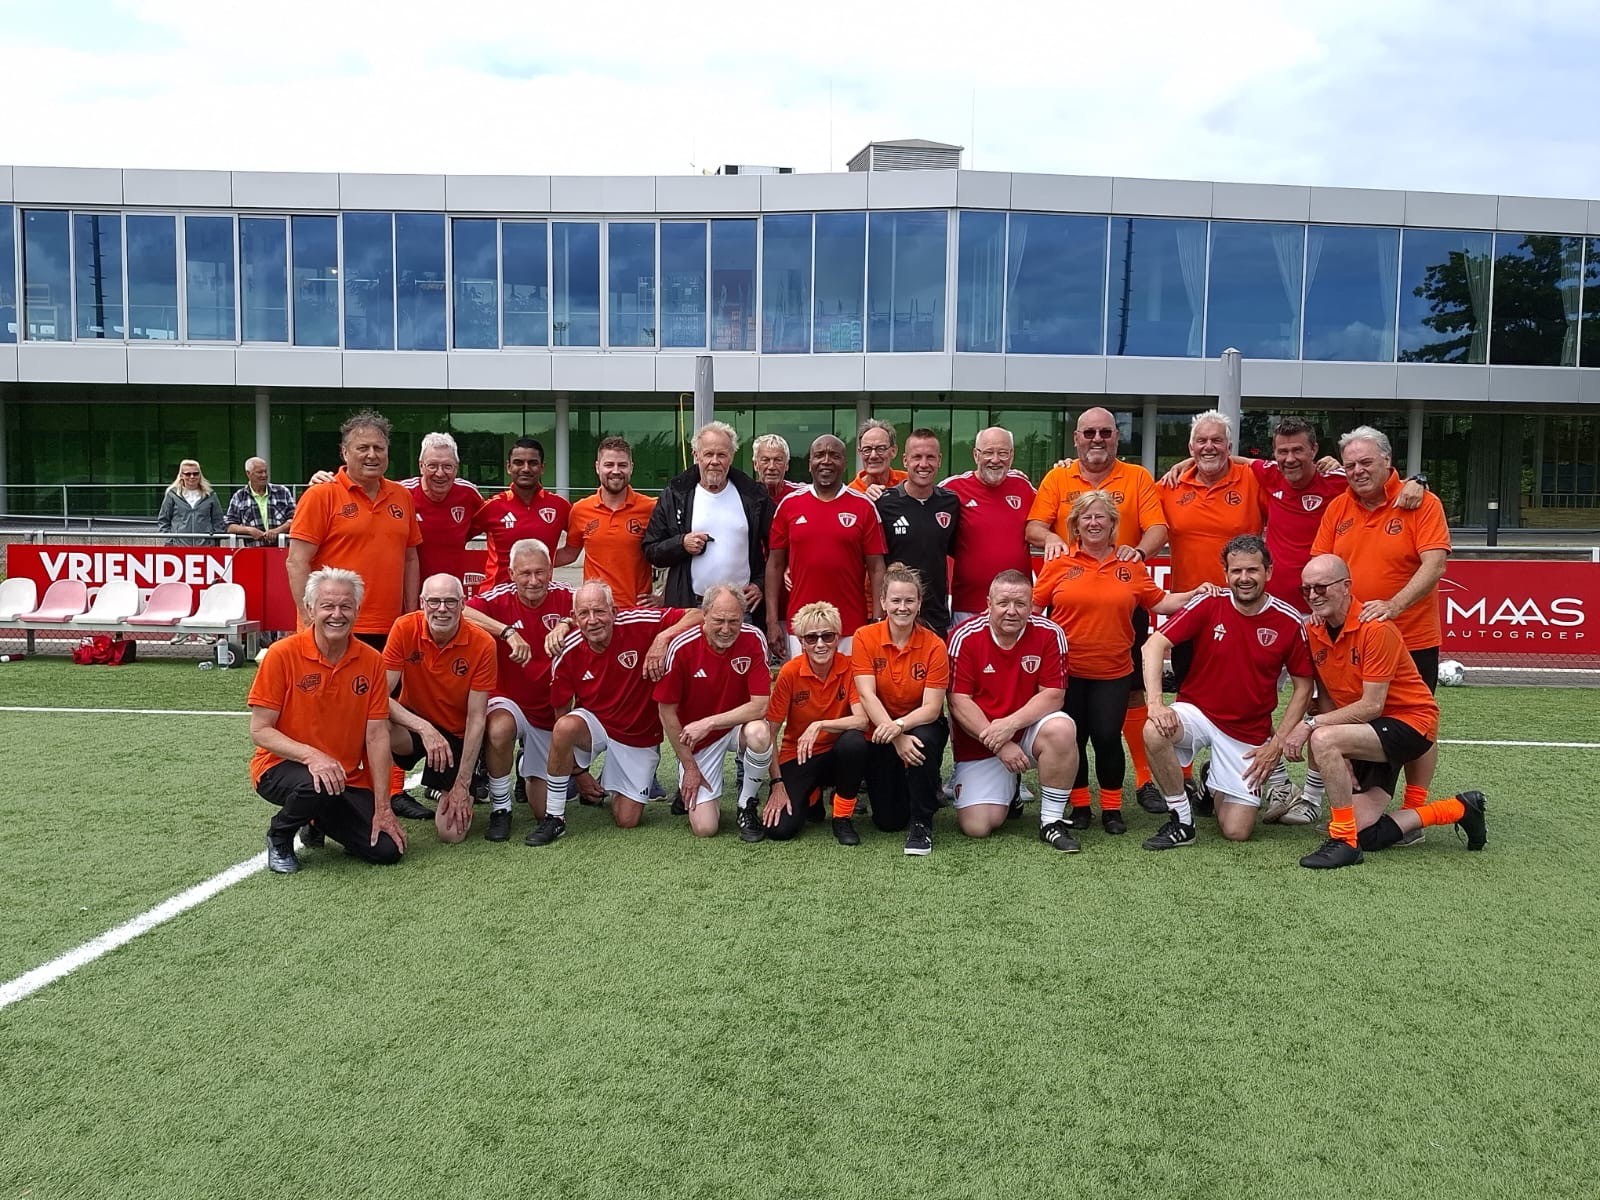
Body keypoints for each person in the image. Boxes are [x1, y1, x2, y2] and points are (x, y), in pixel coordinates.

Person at [1282, 554, 1486, 870]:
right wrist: (1343, 753)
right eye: (1305, 589)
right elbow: (1326, 696)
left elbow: (1371, 705)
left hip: (1409, 726)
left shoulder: (1376, 629)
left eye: (1321, 588)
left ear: (1346, 586)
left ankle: (1343, 841)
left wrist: (1311, 726)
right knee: (1370, 835)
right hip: (1368, 731)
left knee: (1322, 739)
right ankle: (1459, 809)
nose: (1312, 596)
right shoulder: (1313, 629)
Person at [1032, 491, 1211, 834]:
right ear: (1076, 525)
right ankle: (1081, 805)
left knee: (1106, 738)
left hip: (1113, 670)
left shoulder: (1130, 565)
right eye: (1087, 518)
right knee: (1074, 738)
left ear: (1113, 524)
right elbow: (1035, 610)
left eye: (1101, 517)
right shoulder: (1058, 564)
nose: (1094, 523)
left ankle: (1112, 809)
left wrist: (1196, 594)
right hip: (1067, 673)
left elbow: (1160, 603)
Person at [1310, 426, 1451, 835]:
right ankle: (1370, 795)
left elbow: (1434, 565)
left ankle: (1415, 807)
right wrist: (1321, 607)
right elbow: (1321, 561)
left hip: (1412, 635)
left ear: (1389, 462)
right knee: (1365, 722)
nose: (1357, 471)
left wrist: (1394, 606)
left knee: (1418, 726)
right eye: (1350, 464)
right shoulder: (1338, 508)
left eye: (1366, 462)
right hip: (1353, 639)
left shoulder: (1420, 502)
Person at [1026, 408, 1168, 813]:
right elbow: (1034, 525)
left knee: (1132, 691)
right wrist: (1053, 538)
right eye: (1089, 432)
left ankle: (1144, 781)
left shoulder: (1137, 476)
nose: (1097, 438)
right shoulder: (1057, 477)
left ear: (1116, 437)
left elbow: (1158, 527)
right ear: (1076, 438)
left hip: (1124, 590)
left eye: (1106, 432)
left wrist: (1138, 552)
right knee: (1075, 717)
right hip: (1073, 592)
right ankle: (1080, 800)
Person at [286, 410, 424, 817]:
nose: (371, 454)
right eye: (361, 447)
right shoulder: (321, 495)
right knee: (330, 721)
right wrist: (310, 619)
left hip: (387, 629)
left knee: (385, 718)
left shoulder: (401, 496)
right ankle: (315, 805)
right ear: (344, 452)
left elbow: (411, 557)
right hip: (333, 630)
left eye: (378, 447)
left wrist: (410, 612)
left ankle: (392, 793)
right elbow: (297, 562)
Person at [1139, 535, 1316, 849]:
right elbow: (1154, 644)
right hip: (1197, 713)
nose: (1244, 578)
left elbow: (1304, 686)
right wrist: (1155, 704)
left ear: (1268, 572)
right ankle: (1181, 819)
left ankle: (1212, 781)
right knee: (1154, 730)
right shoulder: (1209, 603)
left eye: (1252, 570)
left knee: (1237, 831)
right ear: (1226, 574)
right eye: (1236, 572)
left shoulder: (1289, 621)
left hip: (1247, 731)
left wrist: (1276, 745)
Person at [248, 568, 406, 874]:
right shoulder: (282, 655)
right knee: (316, 784)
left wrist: (383, 806)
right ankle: (280, 835)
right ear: (310, 609)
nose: (337, 614)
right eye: (328, 606)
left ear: (357, 610)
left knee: (387, 850)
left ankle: (315, 820)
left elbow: (376, 736)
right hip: (280, 768)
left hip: (342, 778)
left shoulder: (372, 661)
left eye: (346, 606)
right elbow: (260, 730)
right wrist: (312, 756)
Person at [529, 583, 701, 846]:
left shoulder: (639, 622)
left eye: (599, 611)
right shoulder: (567, 649)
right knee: (564, 728)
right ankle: (555, 818)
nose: (592, 620)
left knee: (627, 820)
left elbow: (697, 614)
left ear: (614, 611)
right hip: (595, 725)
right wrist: (578, 772)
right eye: (584, 614)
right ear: (574, 619)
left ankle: (610, 779)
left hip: (638, 734)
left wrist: (661, 638)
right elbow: (560, 710)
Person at [947, 571, 1078, 847]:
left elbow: (1054, 695)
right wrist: (1000, 744)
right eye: (1003, 603)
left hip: (1027, 732)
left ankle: (1051, 821)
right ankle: (1011, 790)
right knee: (977, 826)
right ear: (988, 604)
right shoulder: (964, 636)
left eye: (1020, 604)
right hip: (983, 740)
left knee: (1062, 727)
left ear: (1031, 606)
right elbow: (959, 702)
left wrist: (1010, 726)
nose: (1011, 611)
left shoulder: (1050, 632)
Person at [833, 564, 950, 856]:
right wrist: (895, 734)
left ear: (919, 603)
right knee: (888, 821)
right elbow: (867, 695)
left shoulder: (934, 645)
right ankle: (909, 787)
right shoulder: (864, 636)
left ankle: (922, 823)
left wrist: (900, 727)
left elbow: (932, 708)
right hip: (882, 729)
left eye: (909, 600)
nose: (902, 607)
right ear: (883, 602)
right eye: (895, 601)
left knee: (924, 738)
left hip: (917, 723)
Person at [463, 538, 573, 841]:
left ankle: (526, 765)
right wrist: (507, 631)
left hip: (548, 709)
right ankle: (501, 807)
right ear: (511, 574)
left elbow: (602, 605)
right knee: (499, 729)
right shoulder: (498, 597)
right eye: (525, 573)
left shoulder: (565, 596)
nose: (533, 581)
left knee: (541, 811)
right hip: (509, 699)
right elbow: (463, 611)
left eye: (540, 572)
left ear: (551, 571)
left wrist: (566, 623)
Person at [654, 583, 774, 841]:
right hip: (698, 738)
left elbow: (761, 705)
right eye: (719, 620)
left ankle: (747, 804)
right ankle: (686, 782)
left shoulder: (753, 638)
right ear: (705, 614)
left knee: (760, 733)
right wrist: (690, 766)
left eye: (734, 621)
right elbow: (666, 712)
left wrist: (710, 722)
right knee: (705, 828)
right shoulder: (682, 646)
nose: (726, 629)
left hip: (734, 725)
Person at [383, 574, 497, 844]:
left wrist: (462, 784)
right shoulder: (403, 628)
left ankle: (458, 784)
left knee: (451, 834)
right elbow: (378, 697)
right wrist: (424, 728)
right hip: (413, 726)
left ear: (463, 604)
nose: (442, 609)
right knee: (371, 722)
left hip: (455, 735)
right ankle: (368, 798)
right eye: (434, 601)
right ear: (422, 603)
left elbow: (477, 718)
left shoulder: (482, 643)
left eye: (450, 602)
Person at [1157, 410, 1263, 688]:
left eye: (1217, 440)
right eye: (1201, 441)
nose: (1209, 447)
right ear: (1191, 449)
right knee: (1190, 690)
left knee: (1242, 691)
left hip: (1243, 606)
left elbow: (1292, 476)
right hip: (1189, 606)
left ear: (1229, 447)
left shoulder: (1253, 479)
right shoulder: (1170, 485)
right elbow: (1122, 511)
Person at [765, 434, 887, 658]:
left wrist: (878, 620)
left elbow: (877, 568)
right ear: (810, 462)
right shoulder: (789, 505)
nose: (826, 461)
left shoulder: (864, 507)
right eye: (819, 455)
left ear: (845, 462)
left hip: (850, 625)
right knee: (804, 690)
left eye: (834, 455)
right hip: (801, 625)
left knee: (849, 692)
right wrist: (772, 621)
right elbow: (774, 565)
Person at [760, 601, 869, 844]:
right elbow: (770, 732)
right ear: (801, 642)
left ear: (838, 637)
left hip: (836, 753)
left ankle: (842, 817)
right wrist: (777, 783)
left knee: (854, 743)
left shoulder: (849, 666)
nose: (820, 644)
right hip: (799, 754)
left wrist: (820, 724)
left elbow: (862, 720)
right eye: (811, 638)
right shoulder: (789, 672)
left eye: (827, 636)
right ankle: (813, 795)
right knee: (779, 830)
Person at [642, 420, 772, 615]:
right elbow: (651, 550)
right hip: (690, 606)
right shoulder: (675, 495)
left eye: (722, 455)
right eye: (708, 454)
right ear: (696, 455)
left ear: (732, 457)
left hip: (742, 609)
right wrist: (681, 544)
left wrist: (760, 584)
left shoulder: (754, 496)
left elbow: (779, 547)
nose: (715, 461)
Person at [941, 426, 1036, 627]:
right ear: (976, 455)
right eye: (988, 452)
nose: (995, 459)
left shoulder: (1024, 487)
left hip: (1017, 607)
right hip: (969, 607)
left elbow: (1057, 515)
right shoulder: (952, 489)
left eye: (1002, 453)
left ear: (1011, 456)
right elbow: (916, 500)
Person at [874, 428, 960, 639]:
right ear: (905, 460)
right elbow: (872, 562)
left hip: (935, 615)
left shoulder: (950, 503)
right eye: (917, 457)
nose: (923, 464)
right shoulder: (883, 503)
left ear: (939, 460)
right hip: (896, 613)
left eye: (930, 457)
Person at [566, 436, 657, 606]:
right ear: (597, 467)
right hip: (597, 611)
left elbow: (674, 554)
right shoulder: (580, 510)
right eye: (609, 465)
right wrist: (527, 559)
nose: (616, 471)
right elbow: (570, 554)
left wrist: (663, 596)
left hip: (637, 612)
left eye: (622, 465)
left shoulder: (651, 508)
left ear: (631, 468)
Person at [475, 437, 573, 589]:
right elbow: (457, 538)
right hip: (495, 598)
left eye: (533, 463)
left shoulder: (559, 506)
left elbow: (574, 549)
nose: (526, 468)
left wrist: (540, 562)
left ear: (542, 467)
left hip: (538, 594)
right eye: (518, 462)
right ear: (509, 467)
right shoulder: (492, 506)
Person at [401, 432, 484, 584]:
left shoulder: (469, 494)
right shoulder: (402, 494)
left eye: (447, 466)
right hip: (407, 595)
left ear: (456, 468)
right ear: (421, 466)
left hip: (449, 598)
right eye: (432, 466)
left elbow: (488, 522)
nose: (440, 473)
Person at [224, 457, 296, 546]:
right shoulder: (239, 496)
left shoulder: (283, 491)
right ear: (248, 474)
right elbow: (229, 526)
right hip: (254, 553)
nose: (264, 475)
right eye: (259, 472)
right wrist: (249, 530)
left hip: (282, 550)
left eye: (265, 471)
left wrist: (277, 531)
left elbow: (295, 519)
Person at [157, 459, 226, 546]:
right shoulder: (172, 495)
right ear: (181, 475)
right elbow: (163, 520)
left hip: (206, 548)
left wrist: (214, 541)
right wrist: (170, 541)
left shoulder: (210, 495)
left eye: (195, 473)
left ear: (200, 475)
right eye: (188, 474)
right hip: (178, 548)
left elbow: (218, 520)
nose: (192, 477)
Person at [847, 418, 907, 499]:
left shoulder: (907, 482)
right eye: (867, 450)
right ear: (860, 453)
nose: (873, 456)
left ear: (893, 451)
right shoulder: (851, 493)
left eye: (880, 448)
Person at [752, 433, 806, 505]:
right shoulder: (745, 496)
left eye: (778, 460)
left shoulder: (802, 494)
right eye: (765, 460)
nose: (772, 467)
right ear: (755, 464)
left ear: (787, 465)